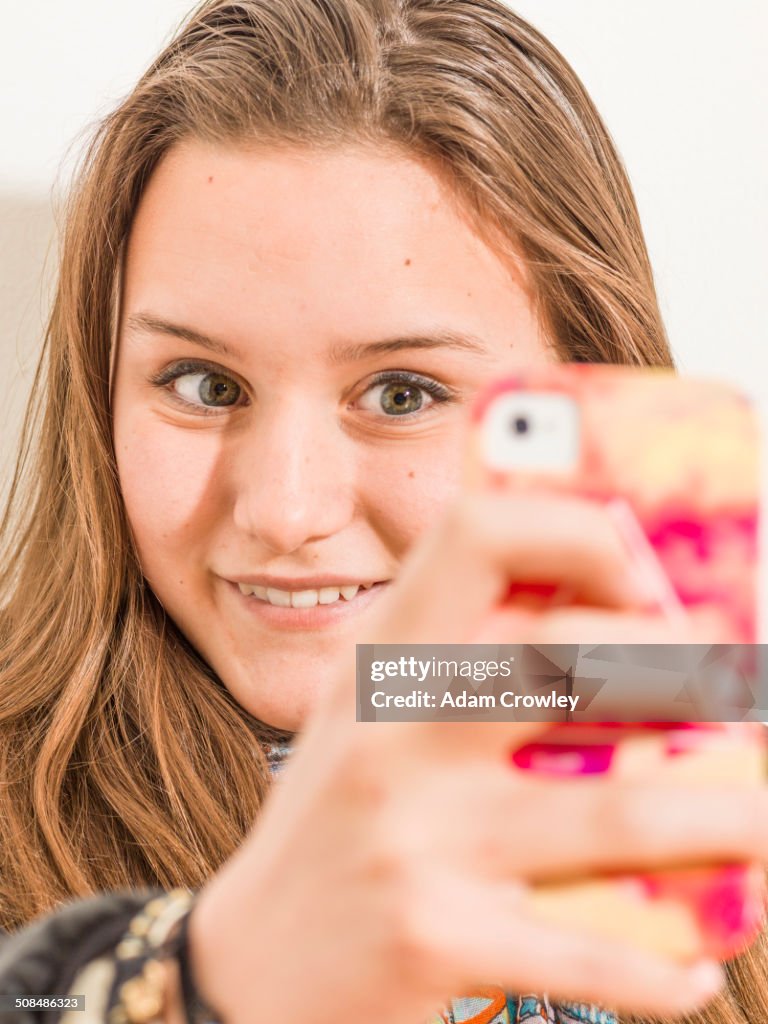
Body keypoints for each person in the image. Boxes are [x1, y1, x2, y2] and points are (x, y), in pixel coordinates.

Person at [0, 1, 765, 1023]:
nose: (284, 509)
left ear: (586, 390)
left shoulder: (714, 776)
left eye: (403, 394)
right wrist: (208, 981)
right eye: (202, 383)